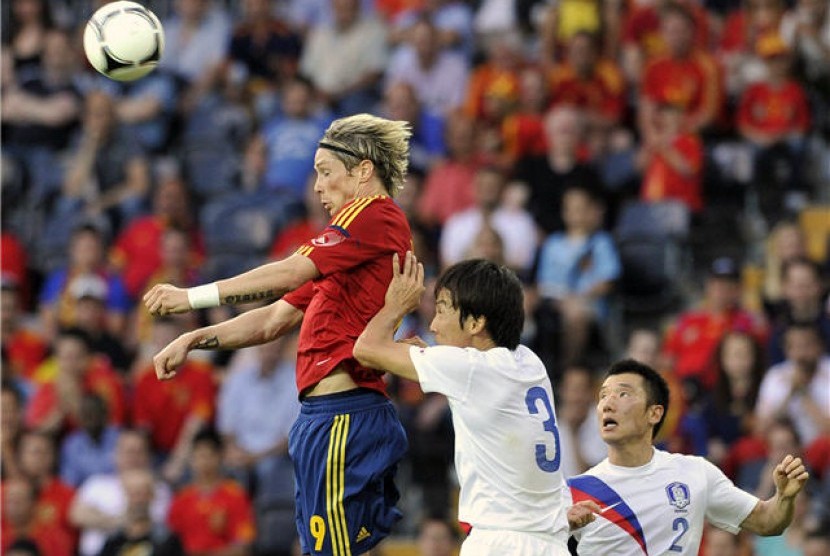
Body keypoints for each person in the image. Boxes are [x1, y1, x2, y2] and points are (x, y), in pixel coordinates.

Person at [144, 113, 413, 556]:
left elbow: (286, 273)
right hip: (324, 417)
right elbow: (272, 320)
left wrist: (190, 298)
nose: (317, 188)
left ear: (364, 169)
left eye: (325, 173)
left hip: (343, 415)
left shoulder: (372, 215)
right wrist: (193, 339)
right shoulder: (348, 254)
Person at [353, 254, 571, 555]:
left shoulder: (469, 369)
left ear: (476, 322)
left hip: (500, 543)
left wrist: (396, 306)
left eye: (441, 310)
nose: (433, 324)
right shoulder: (529, 361)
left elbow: (366, 349)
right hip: (549, 542)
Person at [567, 358, 810, 555]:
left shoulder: (694, 472)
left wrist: (784, 498)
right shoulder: (574, 492)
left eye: (622, 394)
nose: (607, 404)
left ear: (654, 413)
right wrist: (563, 529)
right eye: (603, 396)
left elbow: (768, 522)